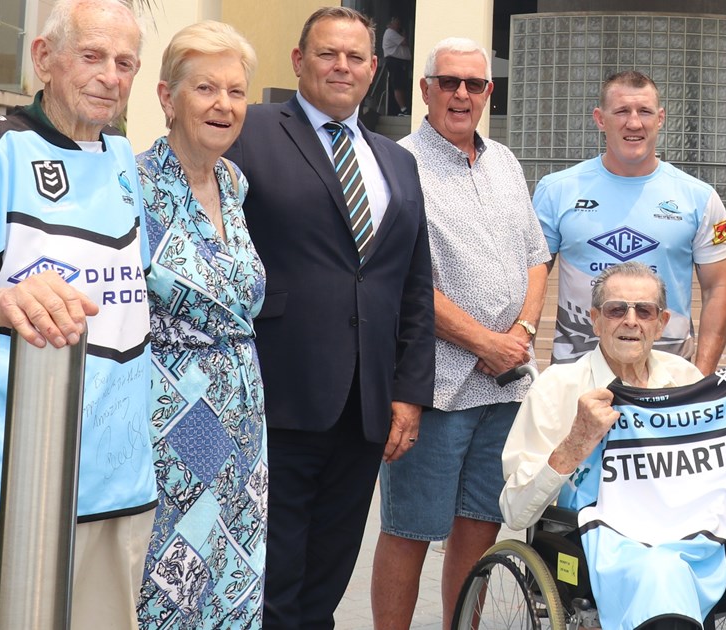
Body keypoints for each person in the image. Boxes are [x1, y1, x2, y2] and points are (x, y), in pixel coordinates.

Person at [0, 1, 153, 627]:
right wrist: (0, 302)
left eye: (125, 63)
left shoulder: (124, 161)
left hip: (117, 480)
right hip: (4, 481)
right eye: (92, 56)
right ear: (44, 59)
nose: (110, 76)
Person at [222, 7, 435, 628]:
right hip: (276, 395)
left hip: (365, 409)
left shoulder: (398, 163)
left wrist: (408, 392)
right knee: (270, 573)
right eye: (327, 53)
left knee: (329, 572)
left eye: (355, 57)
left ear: (374, 69)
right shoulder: (250, 130)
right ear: (299, 61)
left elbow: (413, 286)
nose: (341, 66)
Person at [501, 262, 726, 630]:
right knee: (664, 571)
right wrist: (575, 442)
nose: (630, 321)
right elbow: (515, 511)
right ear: (595, 319)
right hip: (605, 545)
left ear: (661, 322)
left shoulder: (686, 379)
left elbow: (725, 479)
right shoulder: (557, 387)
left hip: (697, 539)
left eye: (644, 311)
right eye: (616, 310)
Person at [370, 36, 550, 629]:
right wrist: (484, 342)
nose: (462, 94)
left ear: (489, 93)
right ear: (425, 90)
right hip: (437, 388)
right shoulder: (398, 162)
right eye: (449, 82)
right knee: (409, 532)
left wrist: (521, 330)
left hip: (505, 388)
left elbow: (535, 257)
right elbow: (399, 279)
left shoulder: (506, 161)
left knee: (479, 528)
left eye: (475, 84)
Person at [134, 20, 267, 627]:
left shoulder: (235, 184)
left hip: (242, 417)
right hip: (169, 417)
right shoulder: (133, 186)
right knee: (172, 581)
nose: (224, 105)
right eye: (206, 89)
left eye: (236, 91)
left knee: (233, 575)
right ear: (168, 97)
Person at [533, 70, 726, 375]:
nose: (634, 123)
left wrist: (701, 377)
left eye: (645, 112)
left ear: (661, 118)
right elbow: (530, 280)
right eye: (622, 111)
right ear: (600, 119)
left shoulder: (700, 197)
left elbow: (718, 288)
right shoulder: (556, 190)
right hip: (576, 375)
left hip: (668, 381)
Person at [382, 16, 412, 115]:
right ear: (391, 22)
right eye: (396, 22)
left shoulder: (393, 33)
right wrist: (403, 33)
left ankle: (403, 108)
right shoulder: (390, 32)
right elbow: (404, 42)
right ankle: (403, 109)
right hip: (395, 62)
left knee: (401, 86)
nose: (398, 24)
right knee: (398, 86)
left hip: (399, 62)